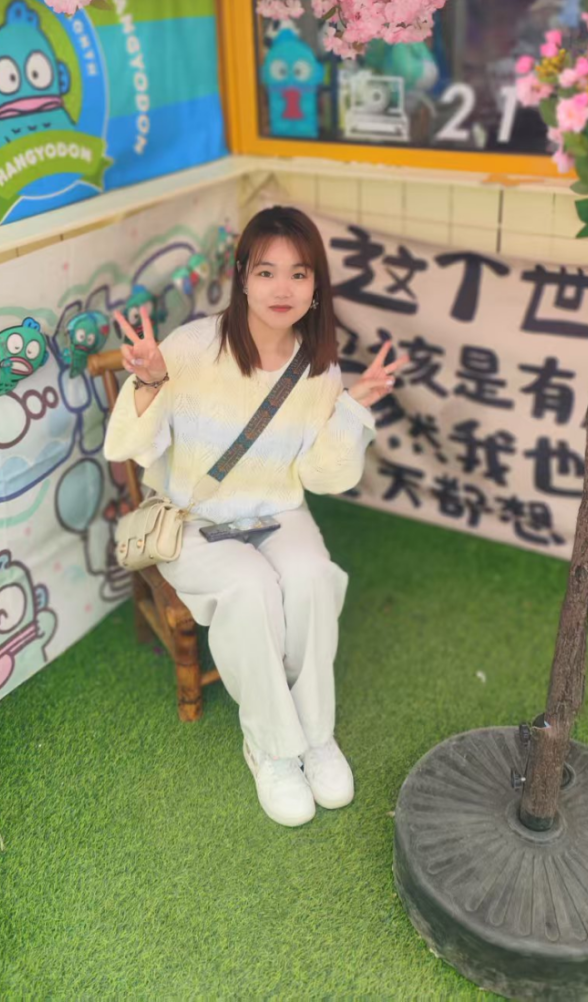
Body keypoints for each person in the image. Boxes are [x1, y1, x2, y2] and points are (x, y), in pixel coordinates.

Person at [104, 206, 406, 827]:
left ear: (316, 286)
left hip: (276, 510)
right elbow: (132, 447)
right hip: (195, 518)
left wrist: (352, 407)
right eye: (266, 272)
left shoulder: (319, 367)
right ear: (242, 277)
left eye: (299, 274)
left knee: (312, 578)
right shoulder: (190, 347)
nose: (281, 288)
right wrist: (150, 383)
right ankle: (271, 747)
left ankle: (315, 734)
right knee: (250, 585)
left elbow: (321, 476)